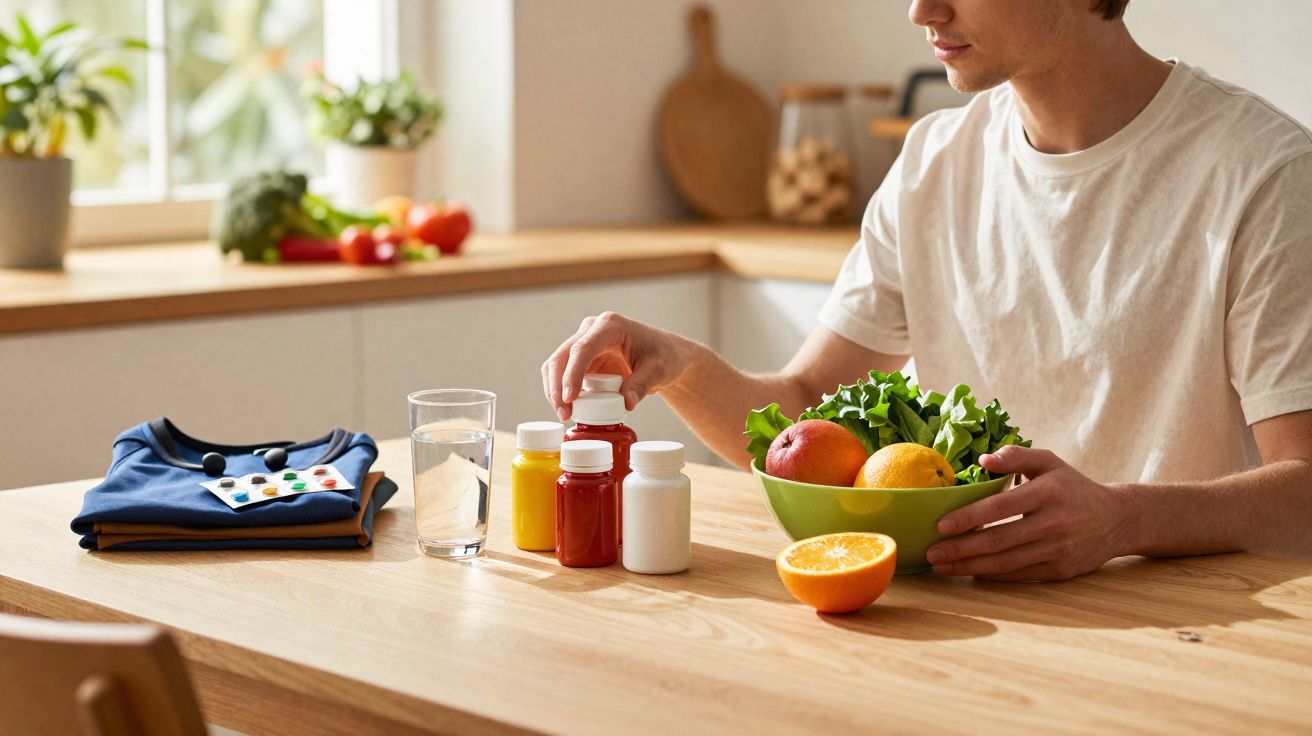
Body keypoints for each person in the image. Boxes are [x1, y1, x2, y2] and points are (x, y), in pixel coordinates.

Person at [541, 0, 1312, 580]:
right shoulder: (933, 162)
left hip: (1181, 637)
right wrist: (679, 365)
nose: (920, 10)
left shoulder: (1260, 173)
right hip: (961, 626)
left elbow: (1304, 493)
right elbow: (808, 415)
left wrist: (1122, 519)